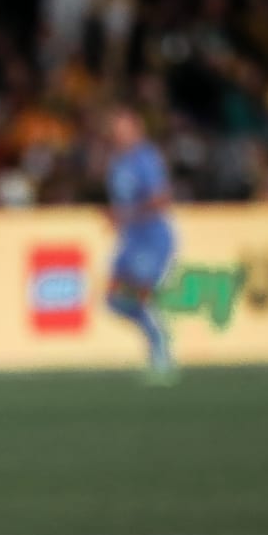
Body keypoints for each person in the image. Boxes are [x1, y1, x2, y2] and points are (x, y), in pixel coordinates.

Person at [102, 105, 178, 380]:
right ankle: (156, 334)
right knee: (113, 300)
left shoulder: (146, 158)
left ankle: (160, 349)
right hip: (131, 242)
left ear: (137, 129)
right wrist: (117, 218)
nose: (118, 134)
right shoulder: (116, 162)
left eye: (124, 127)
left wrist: (128, 214)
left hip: (153, 240)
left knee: (137, 293)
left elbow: (161, 198)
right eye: (115, 129)